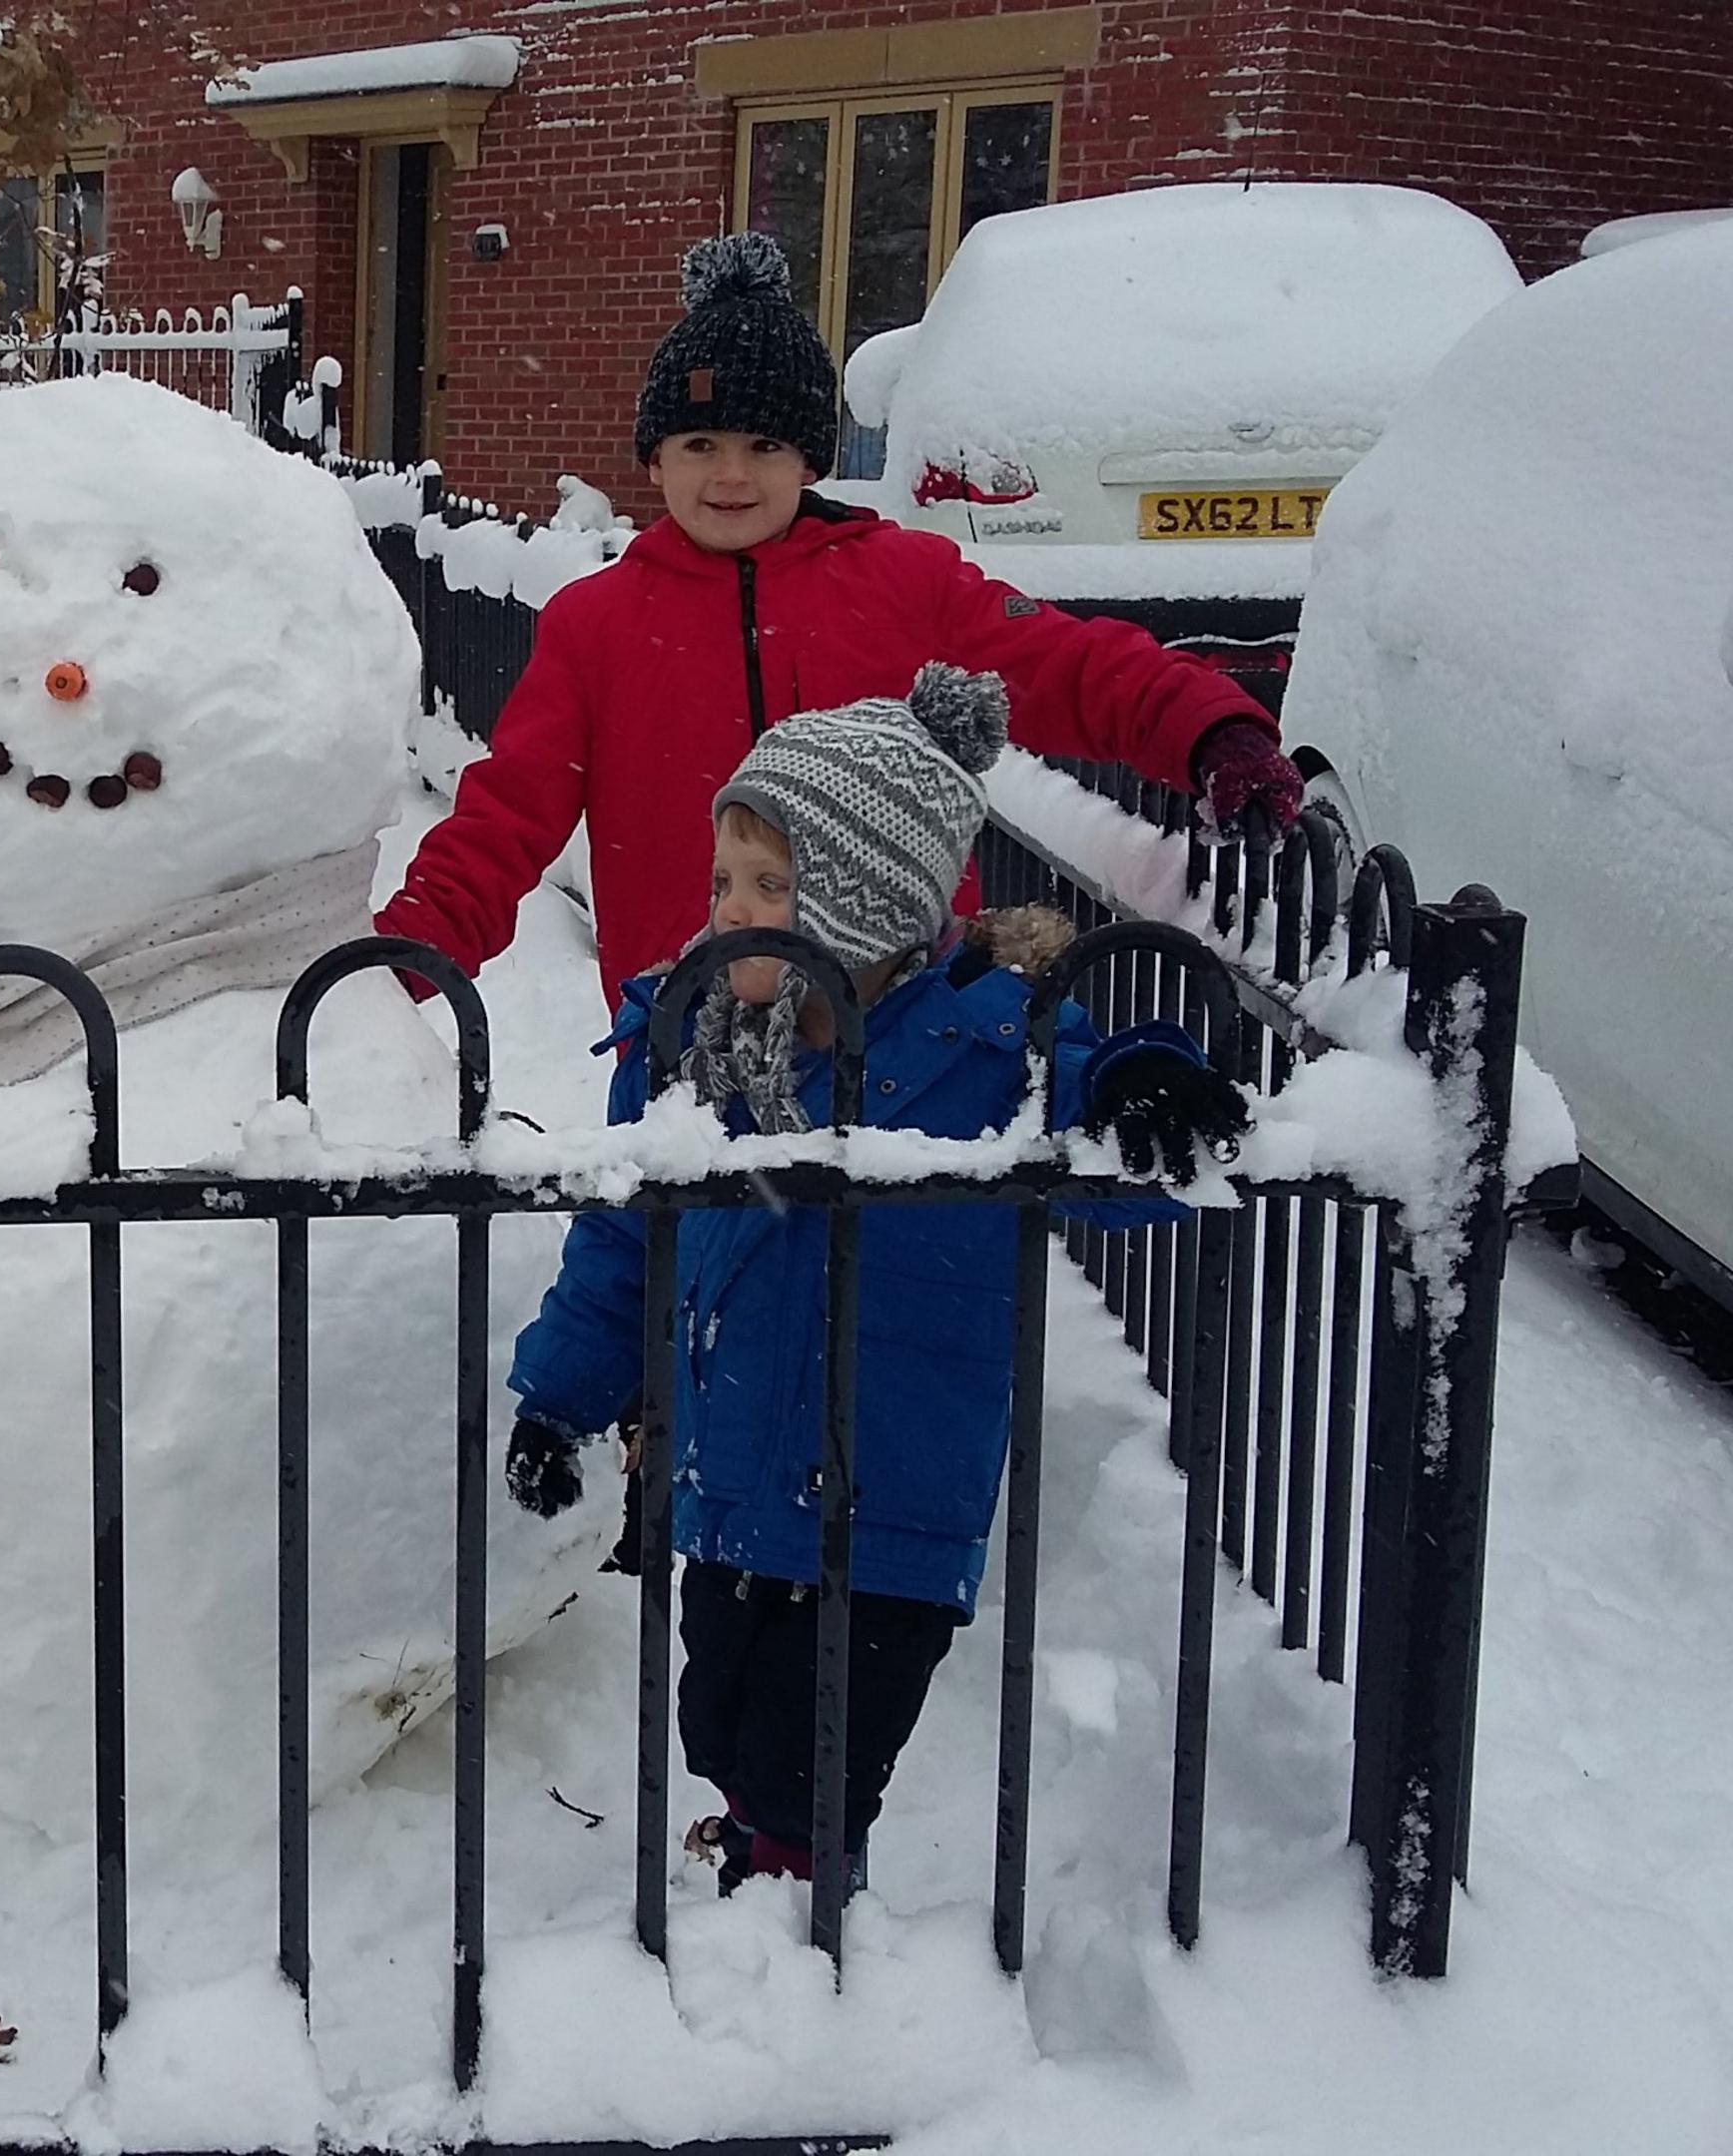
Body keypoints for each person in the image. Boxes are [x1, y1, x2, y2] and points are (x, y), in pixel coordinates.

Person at [498, 664, 1251, 1890]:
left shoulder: (987, 1040)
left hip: (890, 1489)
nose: (731, 911)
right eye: (724, 881)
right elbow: (629, 1241)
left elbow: (1107, 1144)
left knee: (819, 1756)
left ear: (859, 903)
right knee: (725, 1715)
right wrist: (562, 1396)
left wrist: (1132, 1084)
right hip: (729, 1471)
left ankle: (799, 1914)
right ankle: (759, 1840)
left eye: (770, 887)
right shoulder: (691, 1047)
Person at [375, 231, 1308, 1002]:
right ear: (654, 461)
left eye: (765, 445)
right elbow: (507, 818)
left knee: (897, 1230)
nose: (731, 475)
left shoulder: (907, 583)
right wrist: (397, 966)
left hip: (902, 1010)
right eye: (700, 443)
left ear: (811, 460)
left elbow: (1065, 664)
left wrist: (1206, 728)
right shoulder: (598, 624)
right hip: (692, 1021)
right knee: (696, 1236)